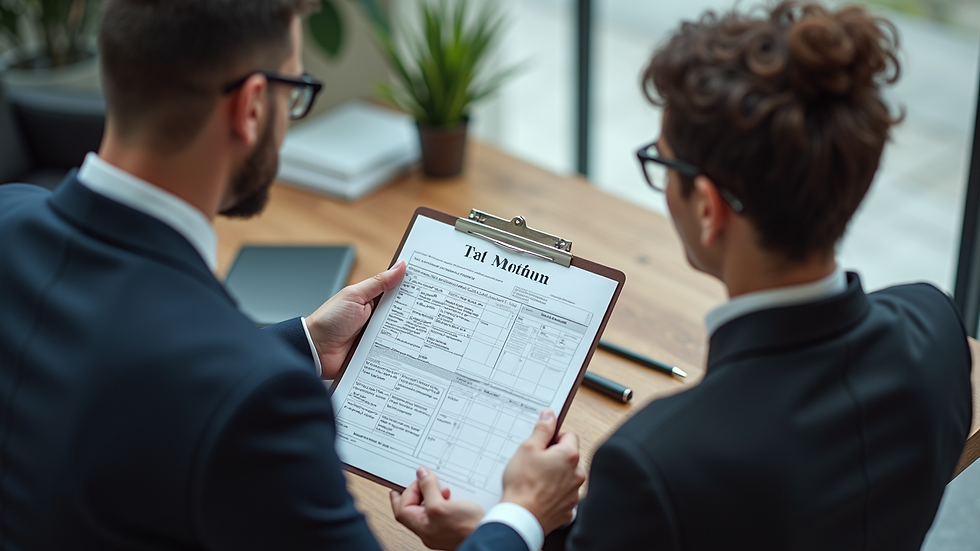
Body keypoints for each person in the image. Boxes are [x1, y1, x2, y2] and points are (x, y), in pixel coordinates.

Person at [0, 1, 584, 550]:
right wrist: (522, 516)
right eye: (295, 91)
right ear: (252, 105)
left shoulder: (10, 215)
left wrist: (306, 341)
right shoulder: (261, 400)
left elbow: (123, 375)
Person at [395, 2, 974, 550]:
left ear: (707, 207)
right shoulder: (938, 329)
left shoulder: (653, 464)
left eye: (662, 163)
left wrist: (512, 519)